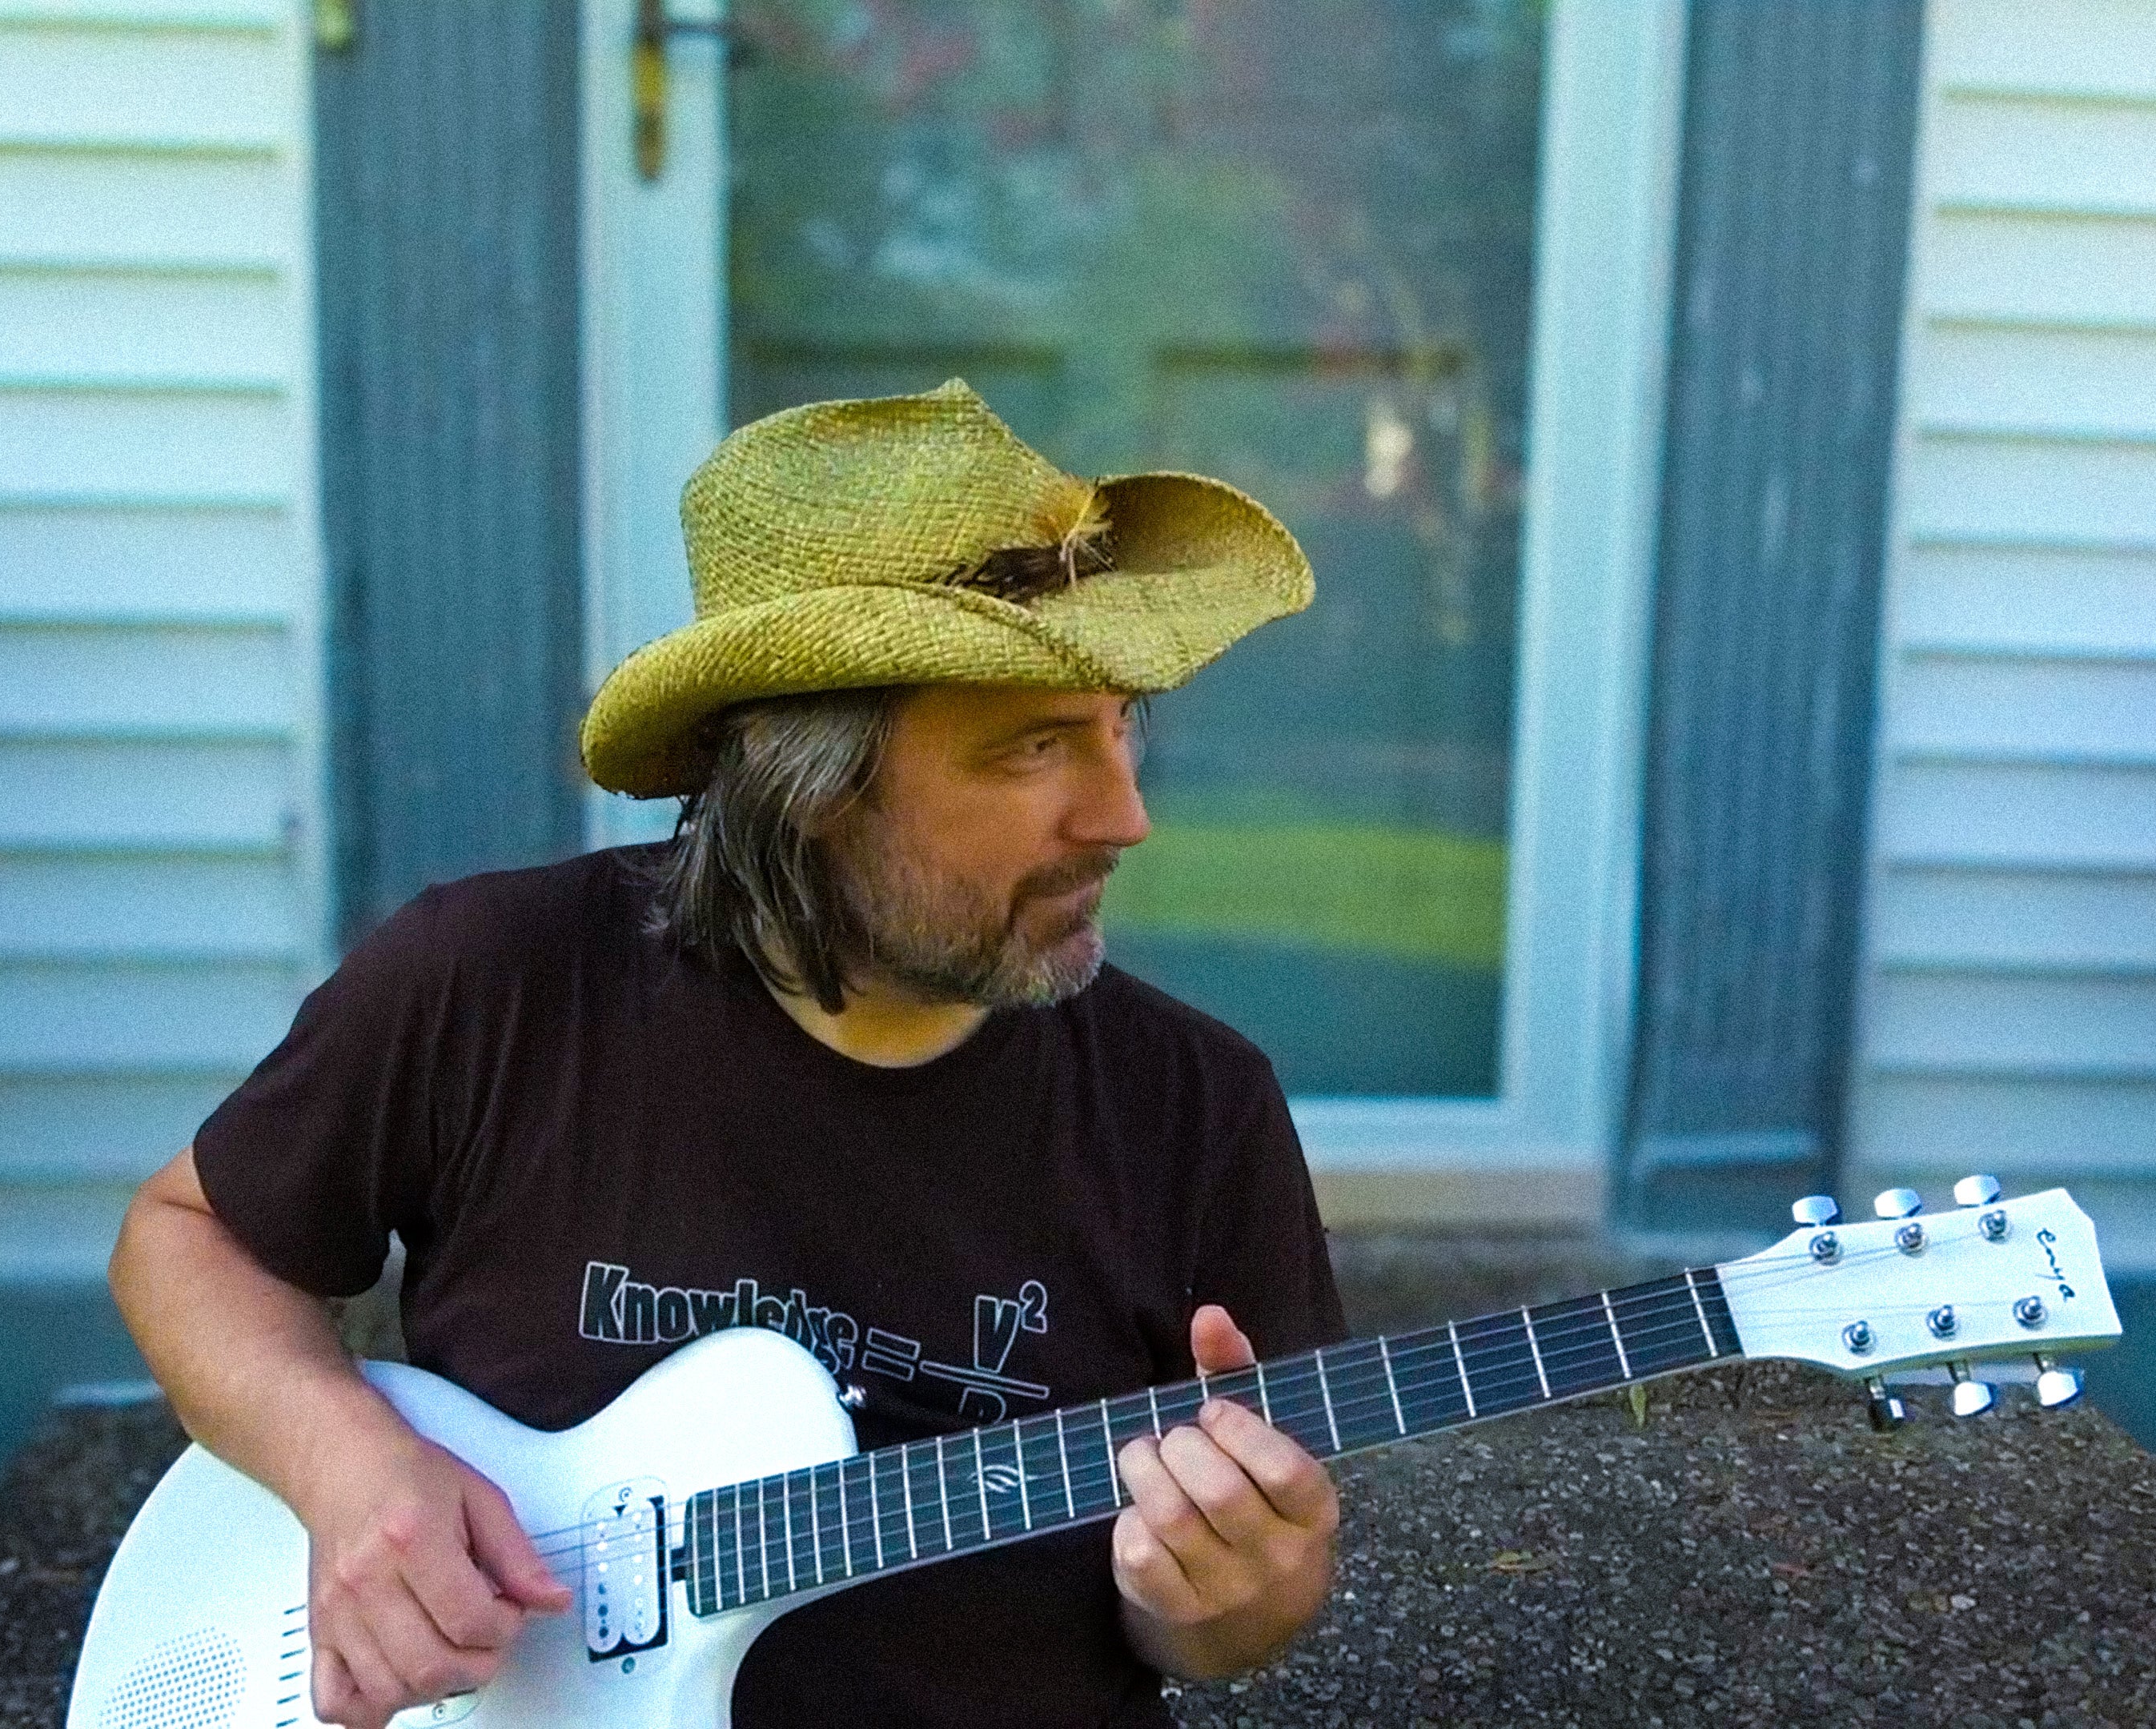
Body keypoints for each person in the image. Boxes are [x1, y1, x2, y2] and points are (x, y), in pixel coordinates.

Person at [109, 380, 1347, 1727]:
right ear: (810, 788)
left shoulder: (1197, 1108)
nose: (1124, 818)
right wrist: (345, 1466)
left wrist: (1227, 1595)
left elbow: (1227, 1626)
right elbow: (186, 1238)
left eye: (1120, 729)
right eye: (1033, 747)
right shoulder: (496, 980)